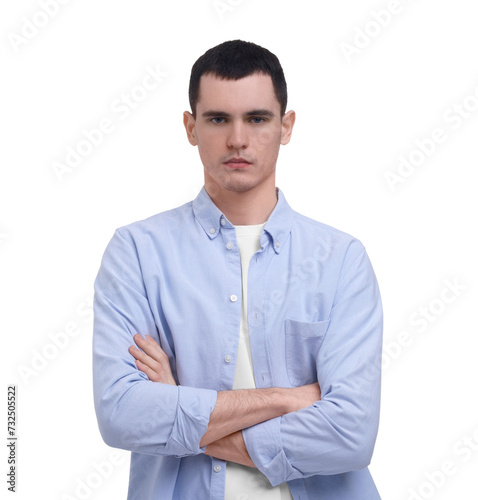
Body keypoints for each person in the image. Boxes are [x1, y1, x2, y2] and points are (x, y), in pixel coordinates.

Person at [93, 39, 383, 500]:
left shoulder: (340, 259)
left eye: (257, 118)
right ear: (190, 127)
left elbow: (351, 435)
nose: (237, 140)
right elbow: (122, 414)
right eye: (217, 119)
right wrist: (287, 398)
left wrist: (182, 411)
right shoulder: (138, 252)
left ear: (286, 126)